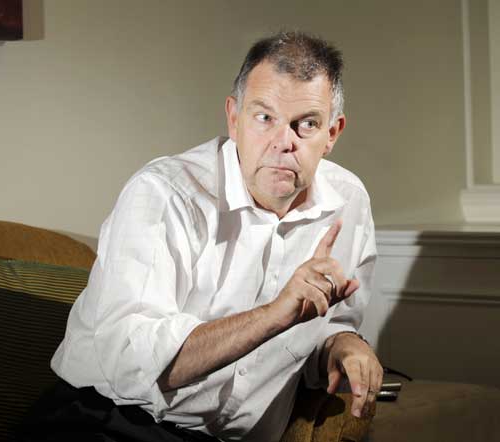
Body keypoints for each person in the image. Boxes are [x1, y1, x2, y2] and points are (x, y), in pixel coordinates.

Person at [19, 31, 381, 442]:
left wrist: (343, 345)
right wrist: (275, 314)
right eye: (264, 118)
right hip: (108, 422)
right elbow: (129, 362)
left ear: (332, 133)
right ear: (234, 118)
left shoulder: (349, 202)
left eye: (307, 124)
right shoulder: (164, 193)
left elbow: (325, 333)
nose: (284, 143)